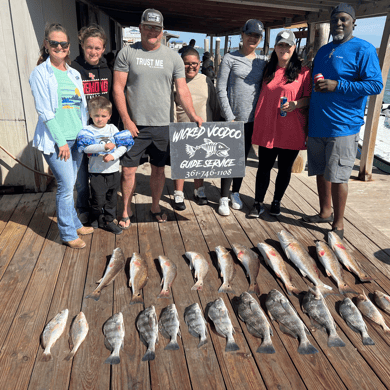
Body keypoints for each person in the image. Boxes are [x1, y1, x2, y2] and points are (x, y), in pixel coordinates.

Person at [113, 9, 202, 228]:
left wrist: (193, 116)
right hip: (135, 125)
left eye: (157, 28)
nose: (152, 31)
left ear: (162, 31)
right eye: (148, 26)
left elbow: (182, 91)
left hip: (163, 125)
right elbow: (118, 88)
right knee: (127, 170)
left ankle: (155, 206)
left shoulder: (173, 57)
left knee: (159, 170)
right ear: (141, 27)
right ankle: (125, 209)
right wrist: (126, 120)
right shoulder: (127, 53)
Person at [302, 3, 383, 239]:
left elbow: (375, 85)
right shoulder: (323, 50)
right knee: (320, 171)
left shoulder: (364, 49)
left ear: (353, 23)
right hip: (318, 123)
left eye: (344, 19)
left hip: (343, 126)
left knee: (337, 176)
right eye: (335, 19)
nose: (339, 23)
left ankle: (338, 224)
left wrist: (338, 85)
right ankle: (324, 212)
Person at [29, 23, 91, 249]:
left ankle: (74, 222)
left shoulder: (74, 73)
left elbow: (80, 109)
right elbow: (45, 112)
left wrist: (84, 135)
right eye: (54, 43)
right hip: (58, 142)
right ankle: (67, 233)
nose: (59, 47)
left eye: (63, 44)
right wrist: (61, 141)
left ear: (69, 46)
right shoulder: (40, 73)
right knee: (66, 186)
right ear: (46, 45)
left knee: (71, 184)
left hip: (77, 139)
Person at [249, 30, 311, 217]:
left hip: (291, 128)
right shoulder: (267, 68)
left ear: (294, 48)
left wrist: (296, 104)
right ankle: (257, 202)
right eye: (280, 45)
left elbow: (309, 98)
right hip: (268, 126)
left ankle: (276, 201)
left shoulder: (304, 71)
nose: (284, 48)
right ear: (275, 47)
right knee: (264, 167)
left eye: (288, 45)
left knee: (284, 169)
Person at [216, 19, 267, 216]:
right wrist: (229, 117)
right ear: (242, 35)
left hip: (252, 120)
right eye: (249, 34)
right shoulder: (229, 58)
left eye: (257, 36)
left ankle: (235, 192)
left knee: (241, 159)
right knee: (227, 158)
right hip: (231, 119)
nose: (252, 38)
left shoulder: (262, 62)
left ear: (260, 39)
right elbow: (221, 87)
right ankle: (222, 196)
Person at [72, 24, 118, 224]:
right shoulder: (73, 69)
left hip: (104, 132)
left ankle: (101, 211)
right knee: (82, 179)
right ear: (82, 45)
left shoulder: (108, 69)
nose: (93, 51)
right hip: (82, 131)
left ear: (103, 48)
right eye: (89, 47)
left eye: (98, 48)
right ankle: (82, 208)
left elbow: (115, 99)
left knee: (102, 176)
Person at [77, 96, 134, 235]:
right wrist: (103, 147)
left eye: (103, 116)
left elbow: (124, 146)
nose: (99, 119)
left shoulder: (113, 128)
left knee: (111, 198)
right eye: (96, 115)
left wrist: (113, 155)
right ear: (90, 115)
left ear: (109, 116)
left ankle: (109, 220)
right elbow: (85, 148)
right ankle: (95, 217)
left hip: (113, 170)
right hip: (97, 172)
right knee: (98, 198)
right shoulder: (87, 130)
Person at [173, 48, 221, 210]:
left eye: (194, 63)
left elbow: (214, 105)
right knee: (180, 161)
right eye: (187, 64)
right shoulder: (175, 81)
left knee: (200, 160)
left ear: (200, 64)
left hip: (204, 127)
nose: (191, 67)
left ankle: (198, 190)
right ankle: (178, 192)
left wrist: (214, 127)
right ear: (181, 64)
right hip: (181, 127)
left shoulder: (207, 80)